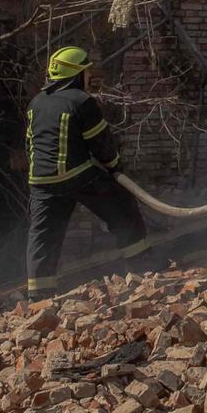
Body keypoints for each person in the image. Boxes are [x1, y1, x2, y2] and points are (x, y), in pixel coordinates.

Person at [25, 46, 148, 297]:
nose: (90, 78)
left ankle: (39, 295)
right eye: (87, 72)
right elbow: (101, 142)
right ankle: (143, 269)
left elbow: (30, 144)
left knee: (43, 237)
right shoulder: (81, 101)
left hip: (40, 181)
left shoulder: (36, 103)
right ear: (77, 75)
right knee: (123, 206)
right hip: (77, 175)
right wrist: (115, 167)